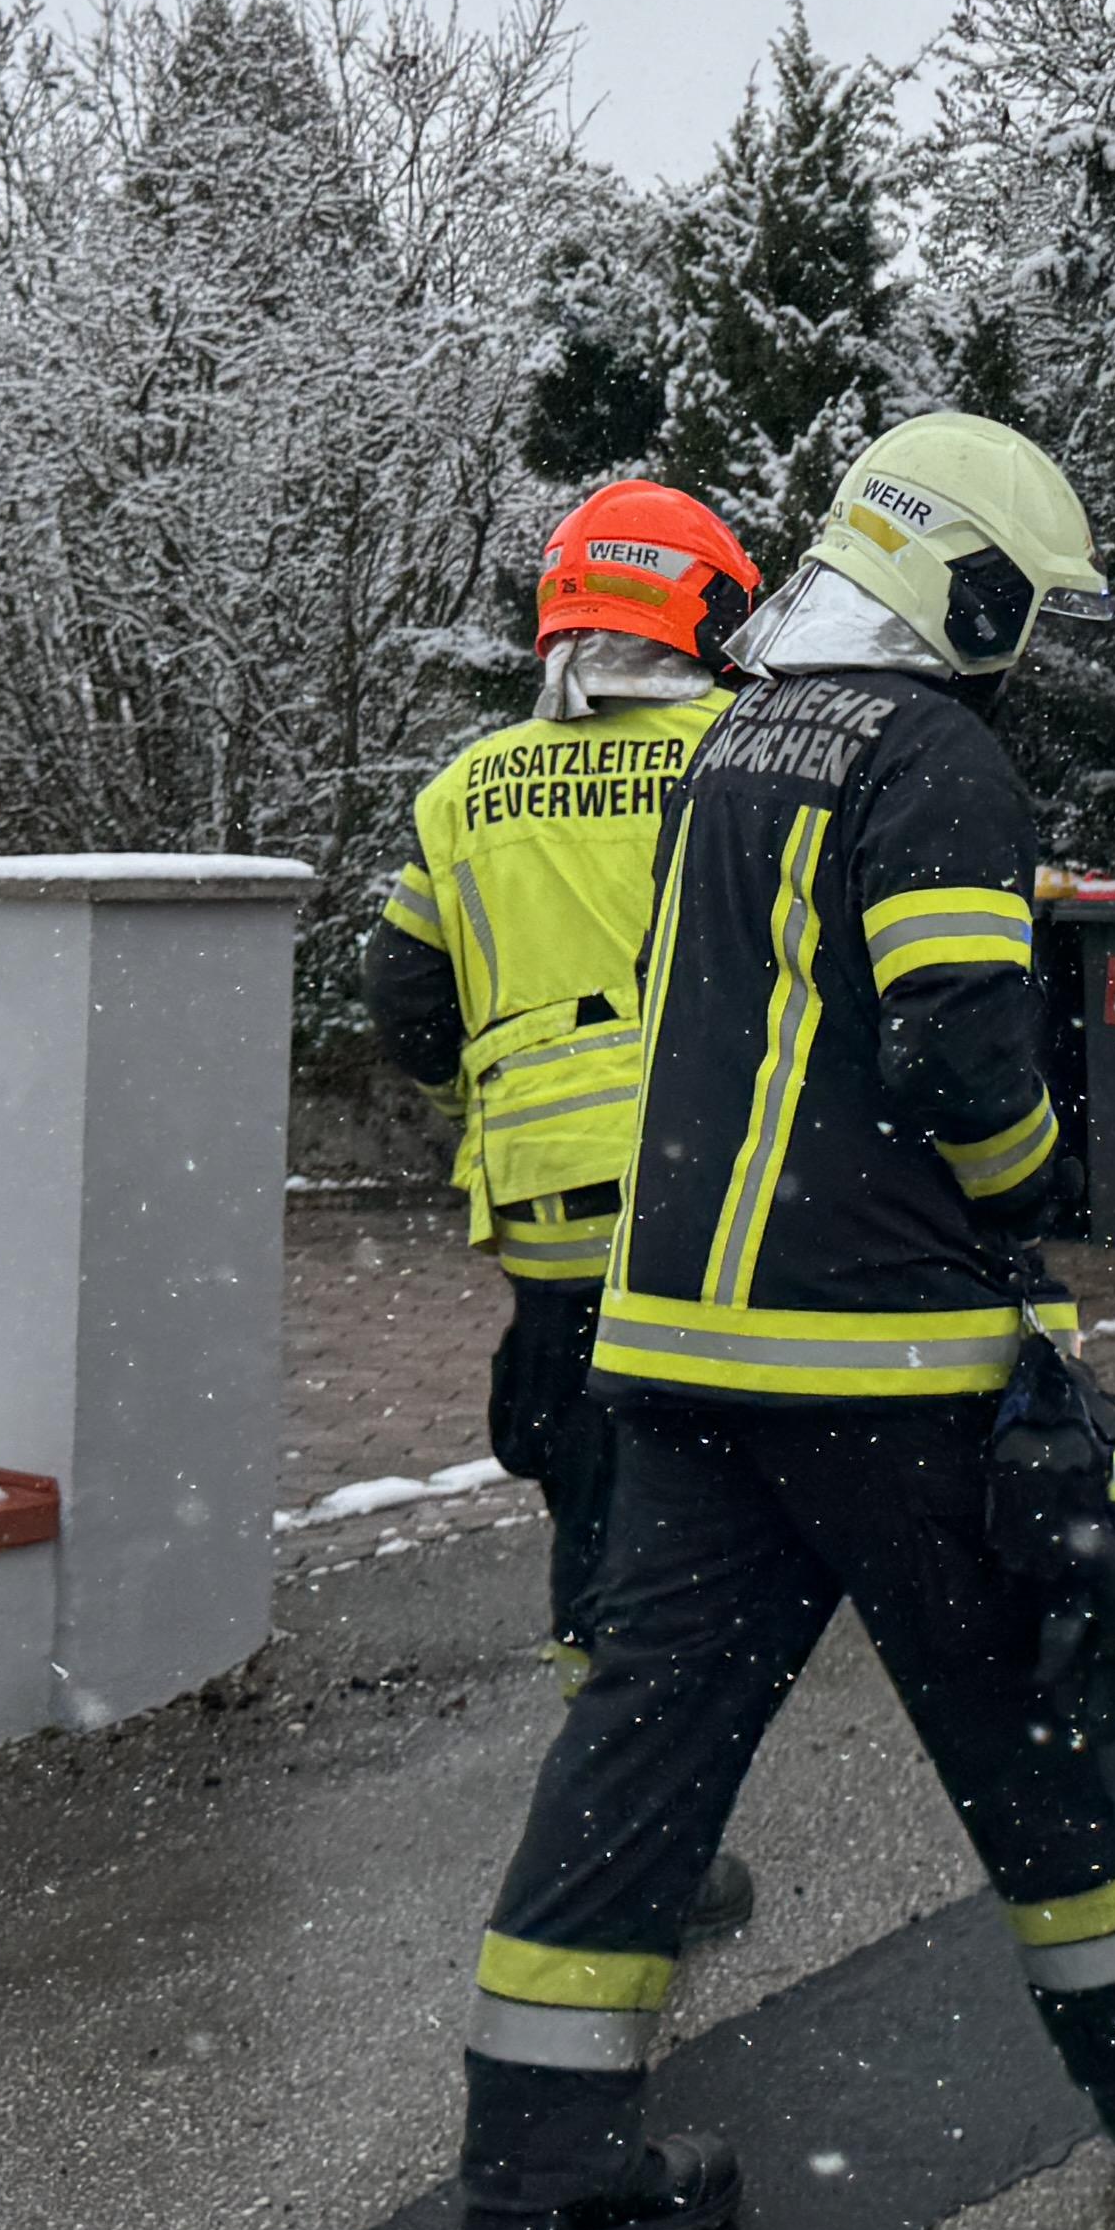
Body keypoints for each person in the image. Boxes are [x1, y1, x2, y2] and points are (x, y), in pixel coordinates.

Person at [451, 413, 1115, 2230]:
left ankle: (536, 2162)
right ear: (952, 572)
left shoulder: (733, 742)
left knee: (645, 1741)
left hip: (679, 1352)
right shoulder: (930, 753)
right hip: (873, 1348)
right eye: (1017, 599)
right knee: (1031, 1698)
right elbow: (960, 1036)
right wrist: (1031, 1183)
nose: (1020, 637)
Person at [368, 480, 763, 1681]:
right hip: (726, 1205)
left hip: (551, 1224)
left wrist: (488, 1113)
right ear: (706, 611)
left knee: (594, 1497)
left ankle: (604, 1735)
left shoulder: (463, 794)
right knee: (737, 1482)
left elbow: (406, 1003)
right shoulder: (747, 763)